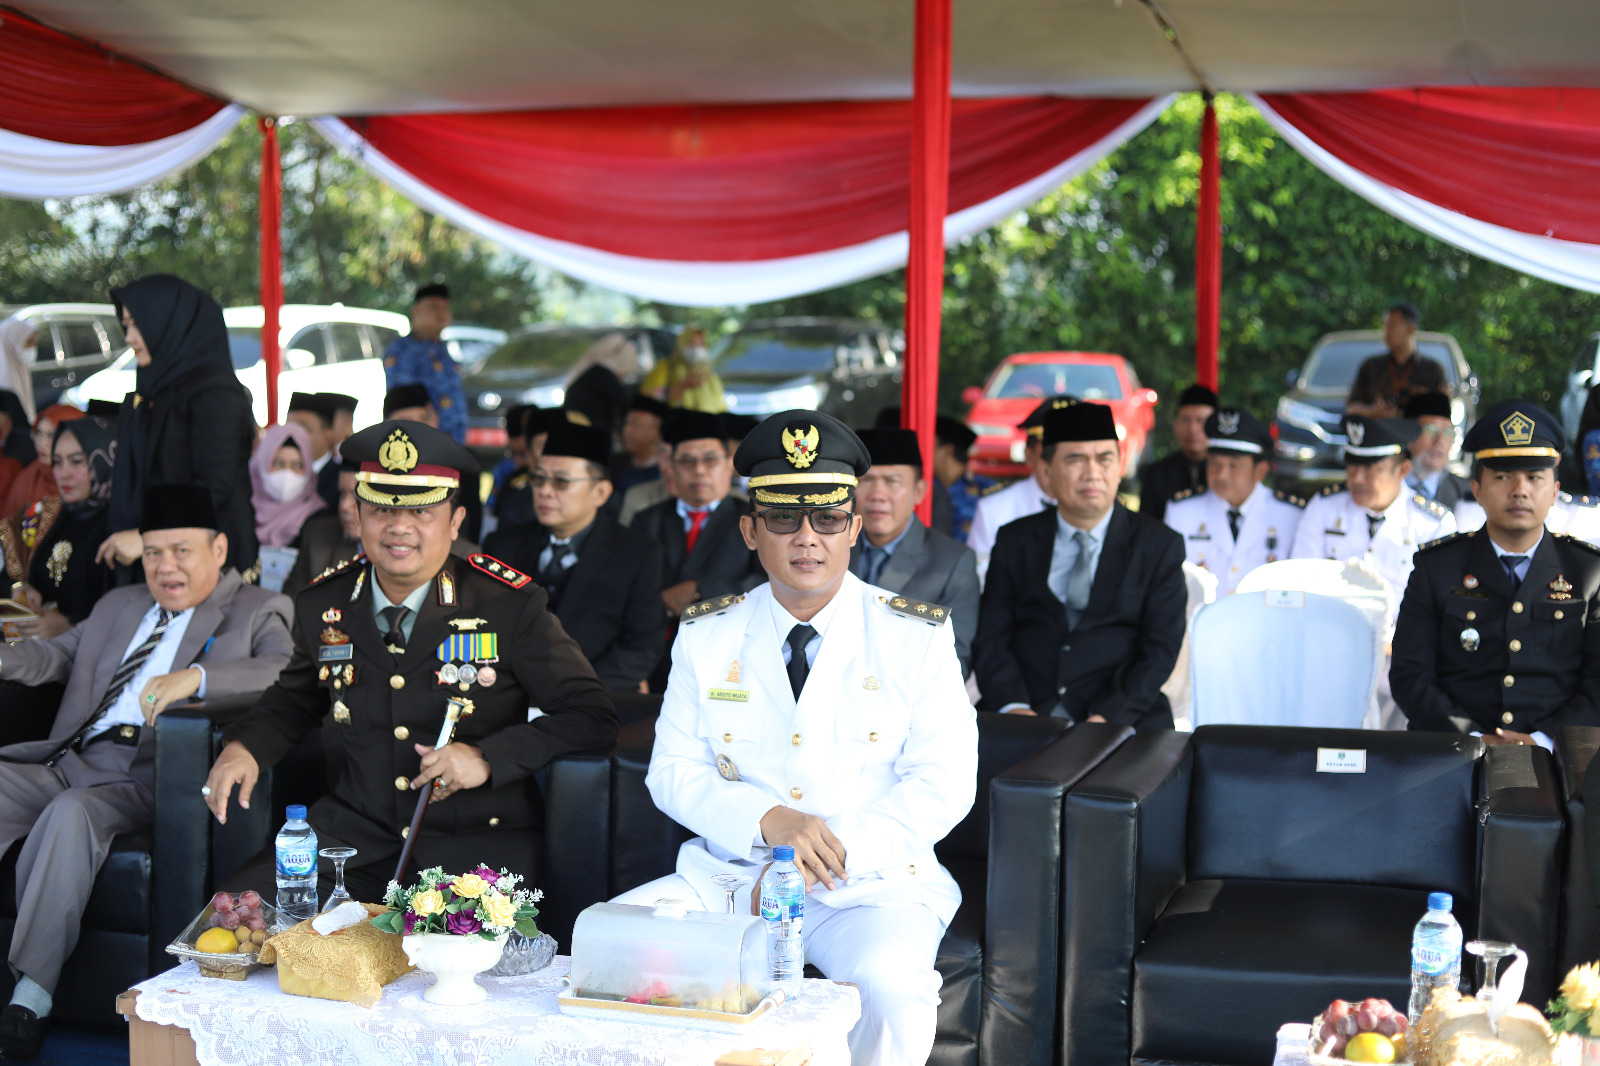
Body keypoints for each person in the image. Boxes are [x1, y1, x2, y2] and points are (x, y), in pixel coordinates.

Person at [612, 409, 976, 1066]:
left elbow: (944, 783)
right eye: (783, 518)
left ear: (854, 527)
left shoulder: (913, 636)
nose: (806, 537)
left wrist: (811, 865)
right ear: (750, 530)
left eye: (828, 519)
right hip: (730, 876)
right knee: (616, 949)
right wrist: (768, 823)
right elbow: (673, 770)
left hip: (869, 887)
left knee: (891, 994)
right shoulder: (707, 633)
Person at [206, 420, 617, 904]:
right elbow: (298, 697)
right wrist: (245, 746)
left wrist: (487, 757)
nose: (399, 527)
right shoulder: (327, 601)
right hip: (352, 841)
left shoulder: (505, 603)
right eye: (380, 509)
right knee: (234, 919)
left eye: (422, 511)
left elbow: (592, 714)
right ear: (357, 516)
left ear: (456, 521)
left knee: (435, 969)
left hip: (472, 852)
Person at [0, 484, 291, 1060]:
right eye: (153, 553)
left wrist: (198, 677)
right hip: (71, 757)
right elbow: (54, 658)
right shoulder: (119, 605)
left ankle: (28, 999)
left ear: (218, 547)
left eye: (181, 551)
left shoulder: (257, 608)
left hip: (149, 776)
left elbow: (286, 671)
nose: (166, 567)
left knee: (72, 813)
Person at [1392, 402, 1600, 742]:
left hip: (1559, 760)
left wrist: (1543, 740)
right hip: (1455, 754)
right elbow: (1409, 675)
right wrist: (1473, 737)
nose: (1520, 490)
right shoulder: (1437, 567)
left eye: (1534, 478)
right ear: (1476, 490)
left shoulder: (1589, 572)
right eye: (1503, 477)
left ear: (1555, 492)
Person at [973, 401, 1186, 729]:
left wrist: (1106, 718)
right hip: (1026, 713)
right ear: (1046, 472)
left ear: (1120, 466)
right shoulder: (1015, 540)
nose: (1093, 473)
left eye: (1105, 459)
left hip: (1123, 718)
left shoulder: (1158, 545)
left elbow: (1160, 648)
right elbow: (991, 636)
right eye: (1076, 459)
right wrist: (1013, 706)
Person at [98, 275, 258, 580]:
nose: (130, 338)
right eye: (126, 325)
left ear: (169, 323)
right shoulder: (158, 387)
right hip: (163, 560)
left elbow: (216, 486)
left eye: (138, 324)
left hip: (208, 568)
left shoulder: (214, 394)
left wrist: (148, 537)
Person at [484, 423, 665, 691]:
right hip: (509, 696)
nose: (545, 491)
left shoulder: (636, 553)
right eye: (539, 479)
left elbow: (641, 647)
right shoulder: (501, 547)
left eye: (561, 482)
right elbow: (484, 629)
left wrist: (576, 692)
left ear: (600, 492)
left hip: (591, 699)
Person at [850, 428, 980, 675]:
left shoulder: (952, 561)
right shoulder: (827, 549)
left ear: (919, 491)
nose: (878, 496)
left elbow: (956, 659)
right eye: (866, 481)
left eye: (892, 482)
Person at [1290, 415, 1455, 601]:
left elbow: (1437, 603)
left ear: (1402, 470)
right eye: (1352, 467)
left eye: (1370, 468)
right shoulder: (1324, 507)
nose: (1356, 479)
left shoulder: (1433, 525)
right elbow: (1301, 581)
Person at [631, 411, 761, 621]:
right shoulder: (646, 521)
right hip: (655, 644)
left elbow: (767, 584)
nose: (699, 470)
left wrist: (702, 591)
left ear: (730, 464)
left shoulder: (754, 518)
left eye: (710, 460)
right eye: (686, 461)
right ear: (672, 467)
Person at [1164, 408, 1306, 596]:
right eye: (1215, 463)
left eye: (1233, 466)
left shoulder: (1290, 515)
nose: (1222, 474)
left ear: (1260, 471)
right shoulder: (1181, 511)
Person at [3, 416, 119, 639]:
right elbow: (9, 568)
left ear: (104, 460)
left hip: (87, 655)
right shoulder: (52, 512)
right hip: (38, 655)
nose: (64, 473)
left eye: (77, 461)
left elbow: (127, 604)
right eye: (57, 462)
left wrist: (70, 625)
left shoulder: (122, 526)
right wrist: (22, 587)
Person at [967, 398, 1068, 583]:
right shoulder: (993, 509)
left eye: (1073, 456)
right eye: (1049, 453)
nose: (1060, 463)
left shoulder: (1099, 508)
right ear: (1028, 456)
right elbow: (980, 581)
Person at [248, 423, 328, 592]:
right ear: (261, 462)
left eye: (297, 466)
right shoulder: (244, 512)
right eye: (277, 463)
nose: (287, 474)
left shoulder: (319, 519)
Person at [383, 282, 465, 443]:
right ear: (416, 311)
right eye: (434, 307)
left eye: (445, 308)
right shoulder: (402, 350)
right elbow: (403, 405)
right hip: (421, 444)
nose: (442, 313)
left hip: (453, 443)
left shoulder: (443, 350)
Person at [1346, 302, 1447, 418]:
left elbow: (1443, 416)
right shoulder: (1371, 366)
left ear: (1411, 329)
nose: (1386, 332)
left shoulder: (1432, 370)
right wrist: (1372, 411)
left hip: (1418, 434)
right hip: (1380, 433)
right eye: (1385, 326)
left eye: (1392, 326)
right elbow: (1351, 407)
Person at [1138, 384, 1216, 522]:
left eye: (1201, 421)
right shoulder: (1157, 474)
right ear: (1175, 425)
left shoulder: (1225, 472)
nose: (1193, 429)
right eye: (1186, 420)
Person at [1, 404, 86, 518]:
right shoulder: (28, 478)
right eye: (39, 433)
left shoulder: (93, 480)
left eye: (51, 435)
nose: (42, 443)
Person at [930, 415, 994, 544]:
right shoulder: (924, 487)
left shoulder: (986, 491)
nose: (924, 451)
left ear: (947, 450)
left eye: (931, 445)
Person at [1401, 392, 1471, 509]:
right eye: (1431, 430)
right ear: (1409, 434)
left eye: (1448, 432)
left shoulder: (1466, 493)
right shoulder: (1382, 485)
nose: (1440, 441)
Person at [639, 328, 727, 412]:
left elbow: (721, 406)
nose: (696, 348)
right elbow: (648, 396)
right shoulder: (666, 367)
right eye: (691, 343)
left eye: (700, 344)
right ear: (681, 344)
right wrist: (683, 385)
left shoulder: (709, 374)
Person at [286, 392, 342, 512]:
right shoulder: (279, 474)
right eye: (289, 428)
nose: (294, 436)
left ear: (328, 435)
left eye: (304, 428)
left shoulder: (340, 480)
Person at [612, 394, 669, 495]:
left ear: (657, 431)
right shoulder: (614, 464)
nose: (626, 430)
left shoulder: (665, 472)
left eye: (635, 425)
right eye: (626, 424)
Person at [0, 318, 38, 425]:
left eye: (35, 343)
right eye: (28, 342)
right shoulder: (3, 383)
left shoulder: (20, 368)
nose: (32, 348)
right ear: (12, 343)